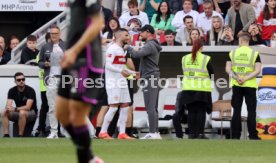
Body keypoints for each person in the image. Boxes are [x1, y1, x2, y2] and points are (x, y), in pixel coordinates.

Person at [56, 0, 105, 162]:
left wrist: (75, 50)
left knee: (77, 115)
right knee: (62, 114)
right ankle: (90, 157)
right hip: (71, 58)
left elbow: (98, 23)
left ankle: (86, 159)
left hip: (86, 59)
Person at [99, 29, 136, 140]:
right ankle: (103, 132)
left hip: (122, 81)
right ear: (119, 36)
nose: (128, 37)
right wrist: (121, 72)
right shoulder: (112, 48)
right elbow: (108, 65)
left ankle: (122, 133)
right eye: (126, 35)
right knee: (114, 107)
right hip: (113, 82)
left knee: (125, 106)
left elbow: (121, 67)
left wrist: (134, 73)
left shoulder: (121, 49)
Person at [126, 25, 162, 139]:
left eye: (142, 32)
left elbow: (136, 55)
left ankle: (152, 133)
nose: (140, 34)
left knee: (150, 107)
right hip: (152, 77)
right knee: (153, 106)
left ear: (148, 32)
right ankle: (155, 132)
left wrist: (128, 47)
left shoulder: (150, 44)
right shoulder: (152, 45)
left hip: (150, 78)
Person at [225, 33, 262, 140]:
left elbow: (228, 69)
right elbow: (257, 70)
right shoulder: (254, 53)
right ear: (248, 41)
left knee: (236, 110)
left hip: (237, 85)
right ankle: (253, 135)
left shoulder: (233, 53)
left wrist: (237, 78)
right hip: (250, 85)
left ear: (240, 41)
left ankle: (236, 135)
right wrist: (245, 79)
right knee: (251, 111)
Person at [181, 38, 213, 139]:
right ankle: (199, 134)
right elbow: (212, 73)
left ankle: (191, 134)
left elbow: (184, 71)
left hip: (188, 88)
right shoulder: (205, 58)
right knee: (200, 111)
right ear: (202, 47)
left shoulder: (184, 58)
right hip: (202, 88)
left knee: (191, 111)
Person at [38, 25, 66, 139]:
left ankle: (66, 131)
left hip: (65, 78)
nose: (54, 35)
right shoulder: (45, 47)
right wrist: (45, 64)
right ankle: (54, 131)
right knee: (52, 106)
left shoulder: (66, 45)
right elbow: (39, 62)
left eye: (56, 33)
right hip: (51, 78)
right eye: (52, 33)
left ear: (59, 34)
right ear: (49, 35)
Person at [1, 72, 37, 137]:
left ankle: (20, 136)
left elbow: (28, 107)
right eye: (19, 80)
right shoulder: (12, 90)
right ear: (15, 81)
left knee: (22, 112)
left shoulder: (30, 90)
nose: (21, 81)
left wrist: (14, 109)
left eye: (23, 79)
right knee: (3, 112)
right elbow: (8, 105)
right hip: (19, 112)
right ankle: (6, 135)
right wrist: (8, 108)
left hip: (31, 113)